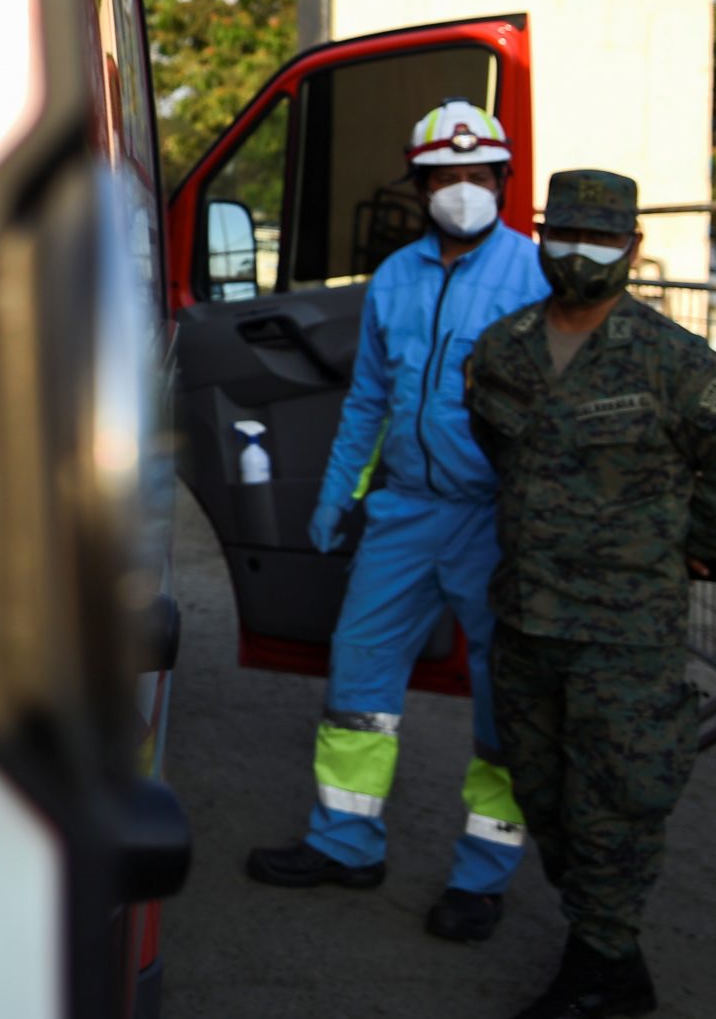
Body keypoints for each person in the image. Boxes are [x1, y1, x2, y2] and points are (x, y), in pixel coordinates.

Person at [467, 171, 716, 1018]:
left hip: (624, 630)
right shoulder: (503, 348)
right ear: (540, 237)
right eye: (565, 234)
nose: (581, 252)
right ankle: (609, 946)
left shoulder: (676, 362)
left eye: (601, 238)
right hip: (526, 617)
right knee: (542, 791)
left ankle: (601, 965)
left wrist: (679, 549)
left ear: (632, 249)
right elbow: (498, 444)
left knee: (617, 798)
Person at [247, 99, 549, 942]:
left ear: (501, 182)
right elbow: (370, 399)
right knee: (358, 681)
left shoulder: (533, 276)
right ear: (420, 187)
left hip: (495, 517)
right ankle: (345, 841)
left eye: (477, 175)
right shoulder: (396, 277)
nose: (462, 188)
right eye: (445, 176)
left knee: (505, 704)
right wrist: (336, 494)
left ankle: (482, 876)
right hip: (404, 513)